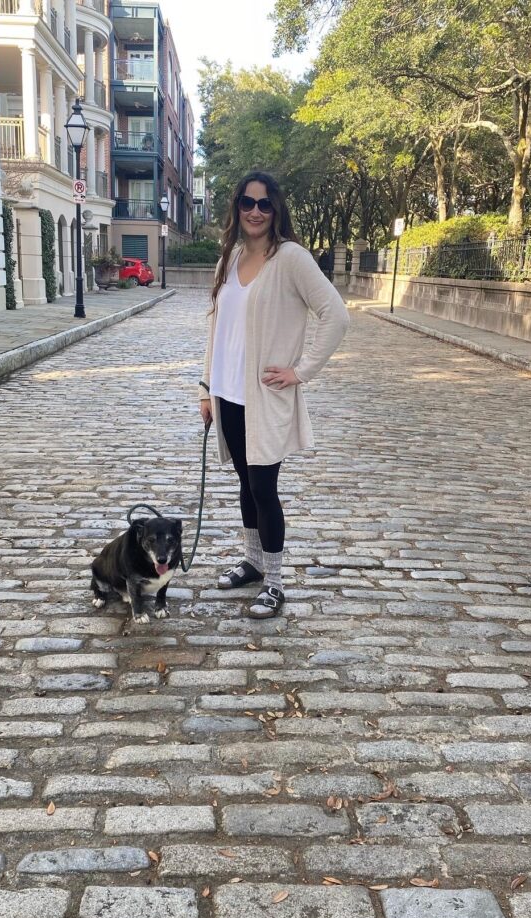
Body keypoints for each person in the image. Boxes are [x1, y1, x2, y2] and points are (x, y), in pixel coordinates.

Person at [198, 171, 350, 618]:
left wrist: (301, 371)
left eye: (264, 204)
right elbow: (215, 327)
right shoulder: (229, 257)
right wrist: (206, 388)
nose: (255, 212)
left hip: (264, 396)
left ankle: (276, 582)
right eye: (248, 202)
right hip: (228, 394)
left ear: (276, 209)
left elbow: (335, 315)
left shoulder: (291, 259)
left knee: (264, 487)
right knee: (246, 483)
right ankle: (252, 562)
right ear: (237, 207)